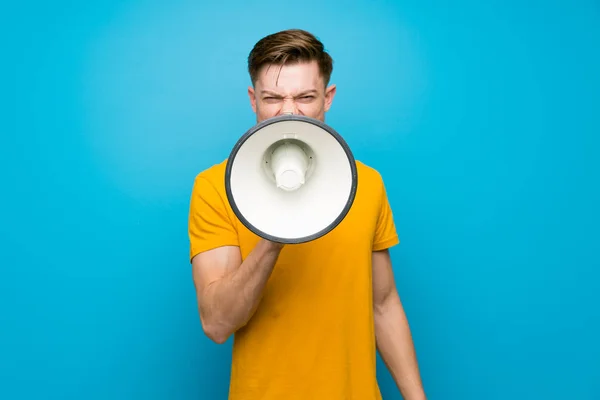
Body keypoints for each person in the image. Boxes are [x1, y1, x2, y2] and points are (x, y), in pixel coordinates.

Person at [188, 29, 427, 400]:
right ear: (253, 100)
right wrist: (274, 233)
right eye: (272, 98)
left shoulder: (367, 183)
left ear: (327, 98)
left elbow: (383, 303)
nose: (288, 112)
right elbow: (217, 323)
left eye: (305, 97)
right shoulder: (215, 187)